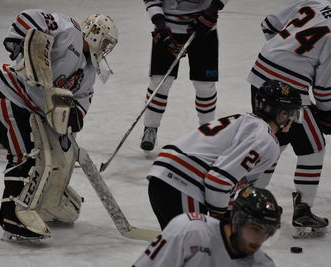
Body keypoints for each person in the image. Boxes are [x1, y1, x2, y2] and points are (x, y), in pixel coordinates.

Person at [0, 10, 118, 240]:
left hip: (34, 110)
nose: (105, 47)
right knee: (26, 155)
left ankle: (46, 201)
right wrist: (19, 44)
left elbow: (79, 108)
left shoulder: (88, 73)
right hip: (8, 92)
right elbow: (28, 17)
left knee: (55, 157)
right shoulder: (69, 30)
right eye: (105, 40)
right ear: (95, 32)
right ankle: (11, 215)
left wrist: (71, 119)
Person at [147, 79, 302, 230]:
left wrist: (227, 213)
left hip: (167, 179)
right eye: (293, 114)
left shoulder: (246, 121)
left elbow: (227, 183)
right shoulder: (264, 139)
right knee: (196, 251)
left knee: (186, 250)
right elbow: (218, 181)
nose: (294, 120)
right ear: (281, 115)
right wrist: (220, 221)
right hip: (182, 184)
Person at [247, 0, 329, 237]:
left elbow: (269, 23)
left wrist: (283, 56)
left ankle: (246, 200)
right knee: (313, 147)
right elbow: (324, 86)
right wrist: (326, 113)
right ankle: (303, 211)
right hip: (288, 90)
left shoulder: (316, 1)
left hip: (260, 73)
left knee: (274, 141)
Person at [140, 0, 230, 152]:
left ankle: (207, 131)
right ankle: (150, 128)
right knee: (160, 82)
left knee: (204, 85)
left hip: (205, 25)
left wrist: (213, 9)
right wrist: (160, 24)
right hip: (168, 27)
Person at [133, 186, 281, 267]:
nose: (260, 239)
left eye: (268, 232)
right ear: (237, 221)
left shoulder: (263, 264)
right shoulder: (190, 231)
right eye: (254, 229)